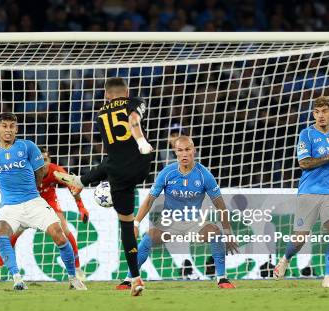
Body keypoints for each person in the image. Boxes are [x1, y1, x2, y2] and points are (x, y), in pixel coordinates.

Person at [54, 77, 153, 296]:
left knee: (126, 226)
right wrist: (141, 142)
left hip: (117, 172)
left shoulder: (100, 115)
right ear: (126, 92)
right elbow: (134, 119)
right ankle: (80, 181)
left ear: (106, 95)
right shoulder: (134, 101)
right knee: (113, 163)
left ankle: (135, 278)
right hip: (140, 164)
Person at [0, 113, 87, 291]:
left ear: (17, 129)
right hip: (10, 207)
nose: (8, 130)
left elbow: (40, 173)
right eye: (4, 126)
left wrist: (30, 190)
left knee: (59, 234)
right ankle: (16, 278)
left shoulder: (28, 146)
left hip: (33, 201)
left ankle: (73, 277)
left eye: (12, 126)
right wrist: (9, 196)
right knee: (2, 232)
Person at [120, 136, 239, 288]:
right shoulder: (167, 173)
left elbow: (220, 205)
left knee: (215, 232)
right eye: (180, 150)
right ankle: (129, 280)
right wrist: (135, 223)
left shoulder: (204, 175)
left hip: (194, 225)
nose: (184, 154)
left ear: (194, 151)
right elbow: (149, 200)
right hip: (169, 224)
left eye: (188, 150)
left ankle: (222, 279)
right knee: (148, 237)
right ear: (175, 152)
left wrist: (227, 231)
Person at [274, 96, 329, 288]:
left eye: (324, 111)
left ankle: (328, 277)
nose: (321, 116)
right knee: (299, 239)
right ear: (313, 114)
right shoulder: (307, 134)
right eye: (317, 112)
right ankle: (285, 259)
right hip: (309, 192)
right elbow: (303, 163)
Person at [0, 147, 89, 281]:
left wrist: (81, 208)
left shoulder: (56, 171)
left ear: (50, 160)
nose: (42, 163)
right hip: (27, 202)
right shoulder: (26, 171)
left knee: (64, 230)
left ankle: (77, 269)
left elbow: (73, 187)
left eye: (45, 160)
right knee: (13, 233)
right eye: (39, 160)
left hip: (48, 201)